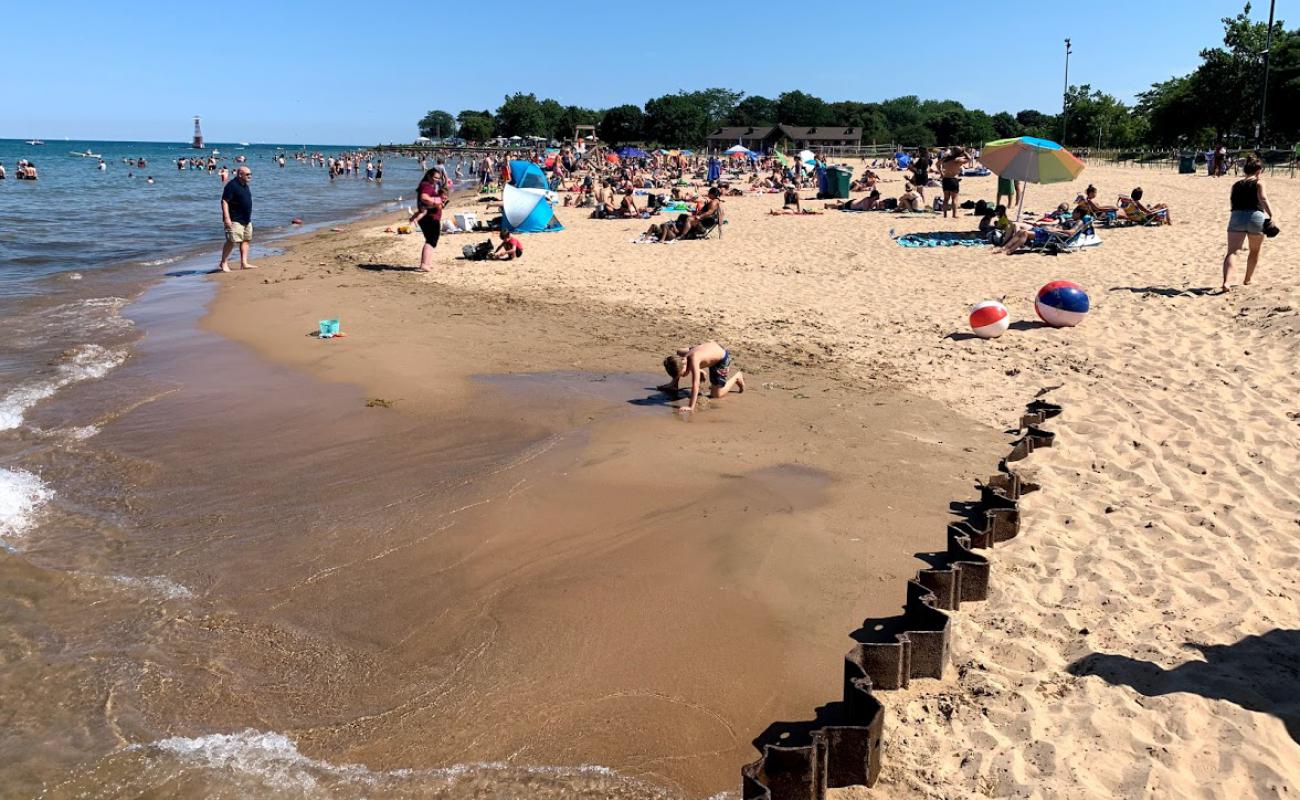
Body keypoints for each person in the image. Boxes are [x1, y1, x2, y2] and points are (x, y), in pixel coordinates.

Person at [1221, 159, 1276, 292]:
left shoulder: (1236, 185)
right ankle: (1247, 279)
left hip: (1237, 216)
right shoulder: (1259, 183)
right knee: (1254, 250)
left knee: (1232, 252)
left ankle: (1227, 282)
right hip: (1255, 217)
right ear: (1258, 171)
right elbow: (1263, 199)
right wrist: (1272, 215)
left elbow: (1232, 202)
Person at [658, 341, 745, 414]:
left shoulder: (694, 359)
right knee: (680, 351)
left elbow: (695, 385)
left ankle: (737, 377)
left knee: (716, 395)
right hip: (712, 347)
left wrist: (690, 407)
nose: (683, 376)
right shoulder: (682, 358)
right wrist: (696, 371)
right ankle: (673, 385)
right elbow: (679, 362)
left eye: (682, 374)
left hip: (721, 358)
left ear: (684, 365)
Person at [411, 166, 451, 272]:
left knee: (431, 240)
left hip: (430, 216)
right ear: (429, 176)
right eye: (435, 178)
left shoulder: (429, 185)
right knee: (431, 240)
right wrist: (436, 200)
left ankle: (427, 263)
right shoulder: (426, 186)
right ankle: (424, 264)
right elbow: (424, 197)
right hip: (430, 217)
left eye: (438, 178)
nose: (437, 180)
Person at [219, 166, 255, 271]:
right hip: (234, 218)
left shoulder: (245, 185)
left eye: (250, 174)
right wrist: (226, 218)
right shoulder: (231, 186)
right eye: (247, 174)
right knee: (231, 241)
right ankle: (224, 262)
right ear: (240, 175)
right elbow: (224, 201)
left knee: (246, 240)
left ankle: (244, 263)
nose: (250, 176)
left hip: (246, 219)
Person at [939, 147, 970, 219]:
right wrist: (964, 151)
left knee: (946, 198)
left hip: (945, 179)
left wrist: (941, 172)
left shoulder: (946, 159)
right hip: (953, 179)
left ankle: (945, 215)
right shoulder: (957, 160)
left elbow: (937, 164)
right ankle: (954, 214)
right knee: (954, 198)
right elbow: (969, 158)